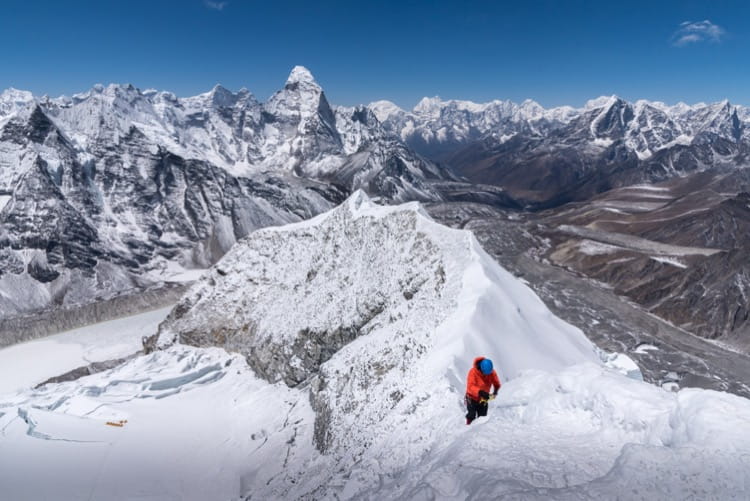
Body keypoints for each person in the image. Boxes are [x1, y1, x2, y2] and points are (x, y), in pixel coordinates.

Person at [465, 356, 501, 425]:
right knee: (471, 415)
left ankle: (480, 433)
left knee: (483, 417)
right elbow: (470, 386)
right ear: (481, 369)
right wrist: (480, 392)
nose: (487, 375)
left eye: (489, 374)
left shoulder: (491, 372)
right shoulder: (472, 372)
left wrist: (496, 390)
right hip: (472, 398)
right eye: (485, 373)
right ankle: (468, 428)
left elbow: (496, 383)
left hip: (483, 398)